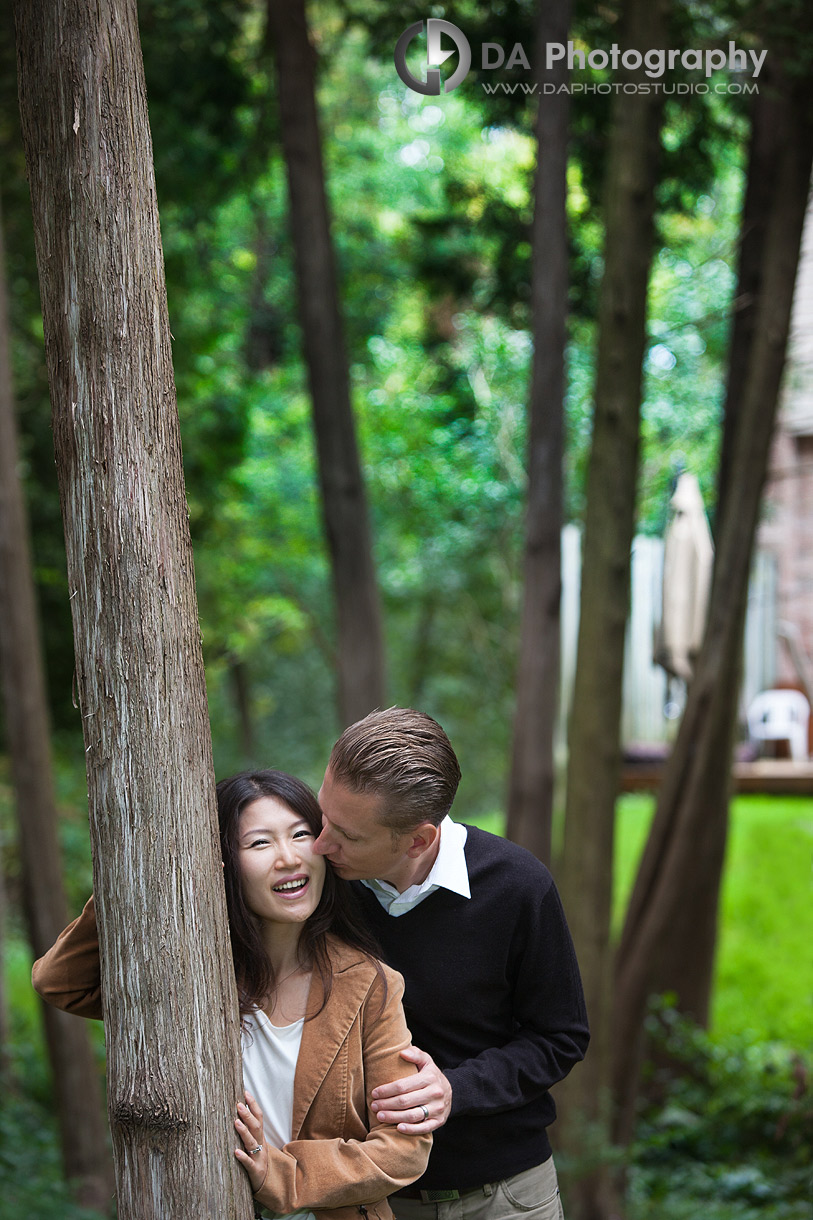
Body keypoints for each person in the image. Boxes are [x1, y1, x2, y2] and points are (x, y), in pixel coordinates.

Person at [32, 769, 432, 1220]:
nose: (288, 858)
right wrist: (132, 877)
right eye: (260, 843)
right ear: (219, 861)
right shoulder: (187, 974)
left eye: (301, 834)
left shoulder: (370, 983)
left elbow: (403, 1149)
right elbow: (61, 983)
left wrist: (281, 1174)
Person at [312, 708, 589, 1220]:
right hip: (370, 1202)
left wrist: (454, 1089)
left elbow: (560, 1037)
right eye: (323, 815)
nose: (321, 843)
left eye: (346, 835)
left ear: (418, 840)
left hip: (506, 1198)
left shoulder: (518, 887)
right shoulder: (318, 885)